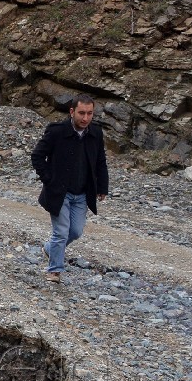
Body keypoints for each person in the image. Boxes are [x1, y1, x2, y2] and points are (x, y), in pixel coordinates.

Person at [30, 93, 109, 283]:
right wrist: (49, 180)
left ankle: (50, 249)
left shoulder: (95, 133)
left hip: (82, 192)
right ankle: (54, 271)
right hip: (60, 192)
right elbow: (37, 156)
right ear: (72, 111)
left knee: (75, 232)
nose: (85, 118)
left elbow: (100, 161)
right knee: (61, 231)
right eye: (82, 113)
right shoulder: (57, 131)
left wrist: (102, 186)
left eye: (90, 113)